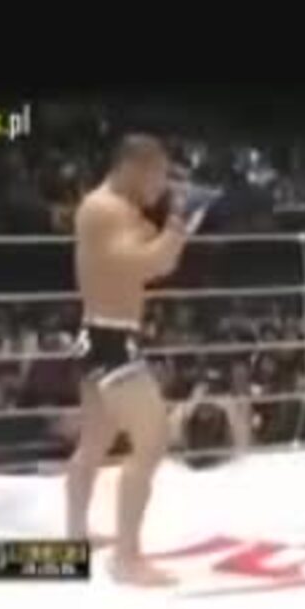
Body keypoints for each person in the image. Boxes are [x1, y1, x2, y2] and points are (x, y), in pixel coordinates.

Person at [66, 134, 215, 585]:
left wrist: (178, 226)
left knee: (95, 440)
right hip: (109, 338)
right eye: (159, 175)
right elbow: (144, 264)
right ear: (135, 167)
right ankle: (127, 559)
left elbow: (161, 263)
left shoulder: (119, 210)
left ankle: (75, 535)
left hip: (103, 333)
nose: (163, 185)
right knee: (151, 439)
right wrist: (178, 222)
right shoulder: (105, 209)